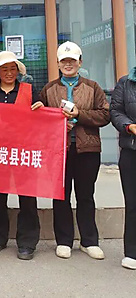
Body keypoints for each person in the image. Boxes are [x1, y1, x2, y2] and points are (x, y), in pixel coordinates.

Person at [37, 42, 110, 260]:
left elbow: (105, 115)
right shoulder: (49, 89)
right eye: (64, 61)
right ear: (58, 64)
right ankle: (64, 241)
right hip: (58, 151)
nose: (68, 65)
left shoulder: (92, 87)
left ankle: (89, 241)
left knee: (85, 195)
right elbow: (40, 116)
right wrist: (50, 117)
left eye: (72, 61)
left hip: (87, 149)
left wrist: (79, 115)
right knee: (61, 196)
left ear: (80, 62)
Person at [0, 51, 41, 261]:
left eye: (12, 69)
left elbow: (41, 116)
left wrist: (41, 109)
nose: (9, 73)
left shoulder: (30, 90)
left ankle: (27, 242)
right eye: (4, 69)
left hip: (23, 151)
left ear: (18, 71)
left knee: (27, 197)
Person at [110, 65, 136, 270]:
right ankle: (132, 252)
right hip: (131, 150)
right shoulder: (125, 83)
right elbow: (115, 111)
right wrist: (129, 126)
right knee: (133, 203)